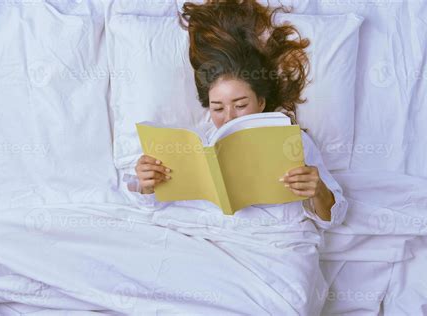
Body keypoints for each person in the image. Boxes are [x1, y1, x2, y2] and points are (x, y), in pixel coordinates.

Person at [128, 1, 348, 313]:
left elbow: (332, 217)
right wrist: (147, 183)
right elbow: (150, 205)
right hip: (208, 247)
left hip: (276, 252)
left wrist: (318, 190)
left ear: (261, 101)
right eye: (218, 108)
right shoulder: (196, 144)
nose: (229, 117)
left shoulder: (292, 139)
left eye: (240, 104)